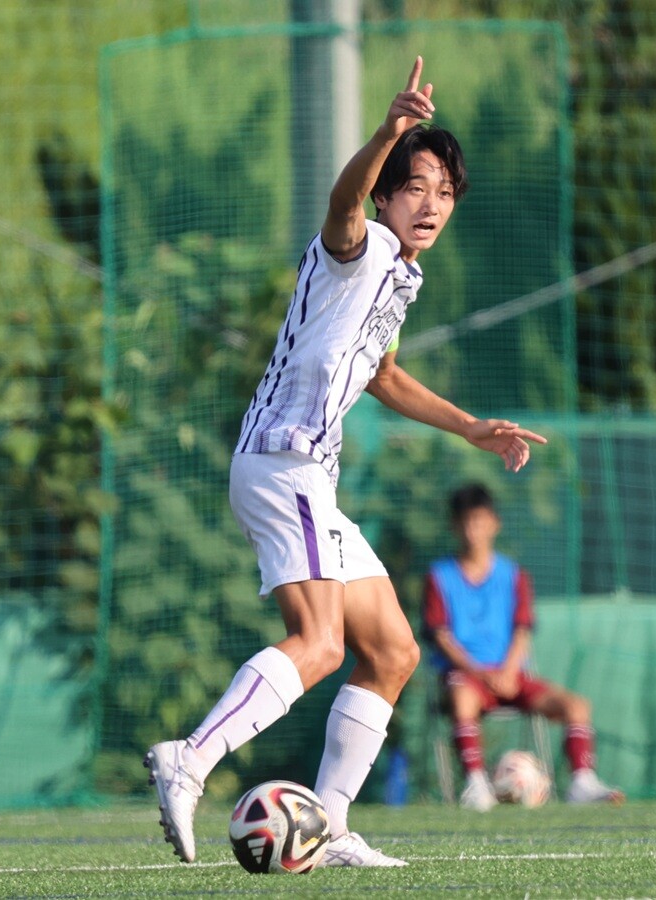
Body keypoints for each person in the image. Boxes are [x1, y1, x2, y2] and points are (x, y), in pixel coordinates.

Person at [145, 57, 548, 867]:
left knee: (394, 651)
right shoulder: (354, 248)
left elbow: (385, 376)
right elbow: (342, 201)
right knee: (321, 643)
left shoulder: (400, 278)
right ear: (387, 193)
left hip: (309, 480)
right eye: (417, 185)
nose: (432, 203)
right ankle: (189, 758)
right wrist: (388, 133)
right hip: (279, 461)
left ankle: (325, 825)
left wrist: (469, 426)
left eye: (444, 192)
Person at [424, 483, 624, 812]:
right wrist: (479, 673)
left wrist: (507, 671)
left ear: (494, 523)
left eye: (479, 520)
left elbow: (523, 629)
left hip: (512, 674)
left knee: (577, 706)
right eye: (465, 521)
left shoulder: (513, 575)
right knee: (462, 697)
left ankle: (582, 782)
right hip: (467, 677)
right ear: (454, 526)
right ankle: (476, 785)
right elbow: (441, 635)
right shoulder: (439, 576)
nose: (472, 529)